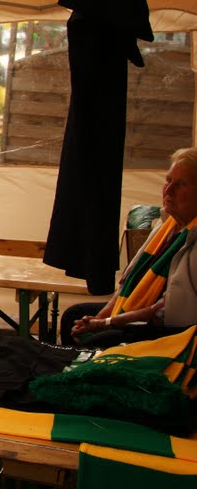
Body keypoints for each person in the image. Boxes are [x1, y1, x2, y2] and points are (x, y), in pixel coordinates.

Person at [61, 147, 197, 347]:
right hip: (140, 313)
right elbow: (129, 284)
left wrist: (106, 323)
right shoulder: (166, 225)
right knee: (73, 316)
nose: (168, 190)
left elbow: (163, 310)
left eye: (181, 184)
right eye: (168, 181)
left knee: (97, 341)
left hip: (172, 330)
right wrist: (98, 318)